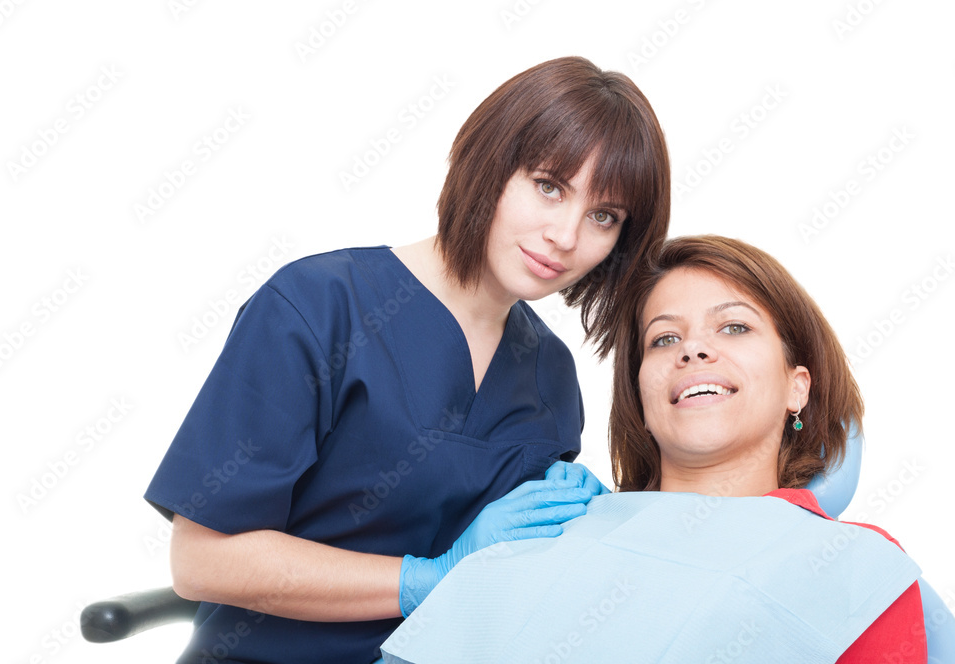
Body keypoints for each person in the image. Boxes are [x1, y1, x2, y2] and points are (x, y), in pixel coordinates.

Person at [143, 56, 671, 664]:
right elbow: (203, 562)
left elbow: (512, 583)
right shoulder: (318, 307)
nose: (566, 236)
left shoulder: (549, 373)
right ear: (489, 162)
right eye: (549, 186)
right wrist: (427, 577)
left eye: (604, 216)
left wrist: (575, 521)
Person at [379, 236, 928, 663]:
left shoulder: (855, 567)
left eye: (734, 327)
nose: (694, 349)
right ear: (641, 400)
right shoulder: (547, 535)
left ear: (797, 387)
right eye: (664, 339)